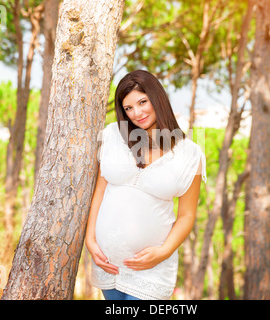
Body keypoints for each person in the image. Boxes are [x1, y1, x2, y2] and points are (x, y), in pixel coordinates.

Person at [85, 70, 207, 300]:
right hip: (107, 263)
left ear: (157, 98)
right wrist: (90, 240)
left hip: (152, 268)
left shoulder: (191, 154)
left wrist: (164, 252)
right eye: (128, 108)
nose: (137, 113)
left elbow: (186, 216)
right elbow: (100, 190)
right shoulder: (112, 135)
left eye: (143, 102)